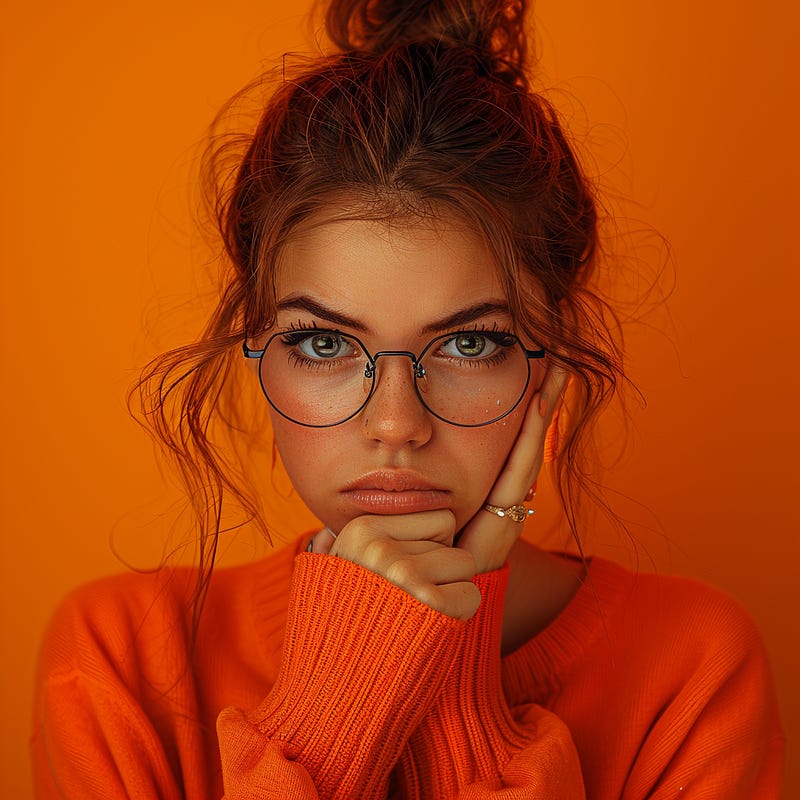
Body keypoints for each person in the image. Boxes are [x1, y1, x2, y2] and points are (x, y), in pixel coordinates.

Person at [32, 0, 784, 797]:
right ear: (256, 348)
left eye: (469, 343)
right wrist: (328, 715)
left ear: (551, 356)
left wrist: (448, 666)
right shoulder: (120, 661)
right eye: (323, 344)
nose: (396, 424)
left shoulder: (691, 668)